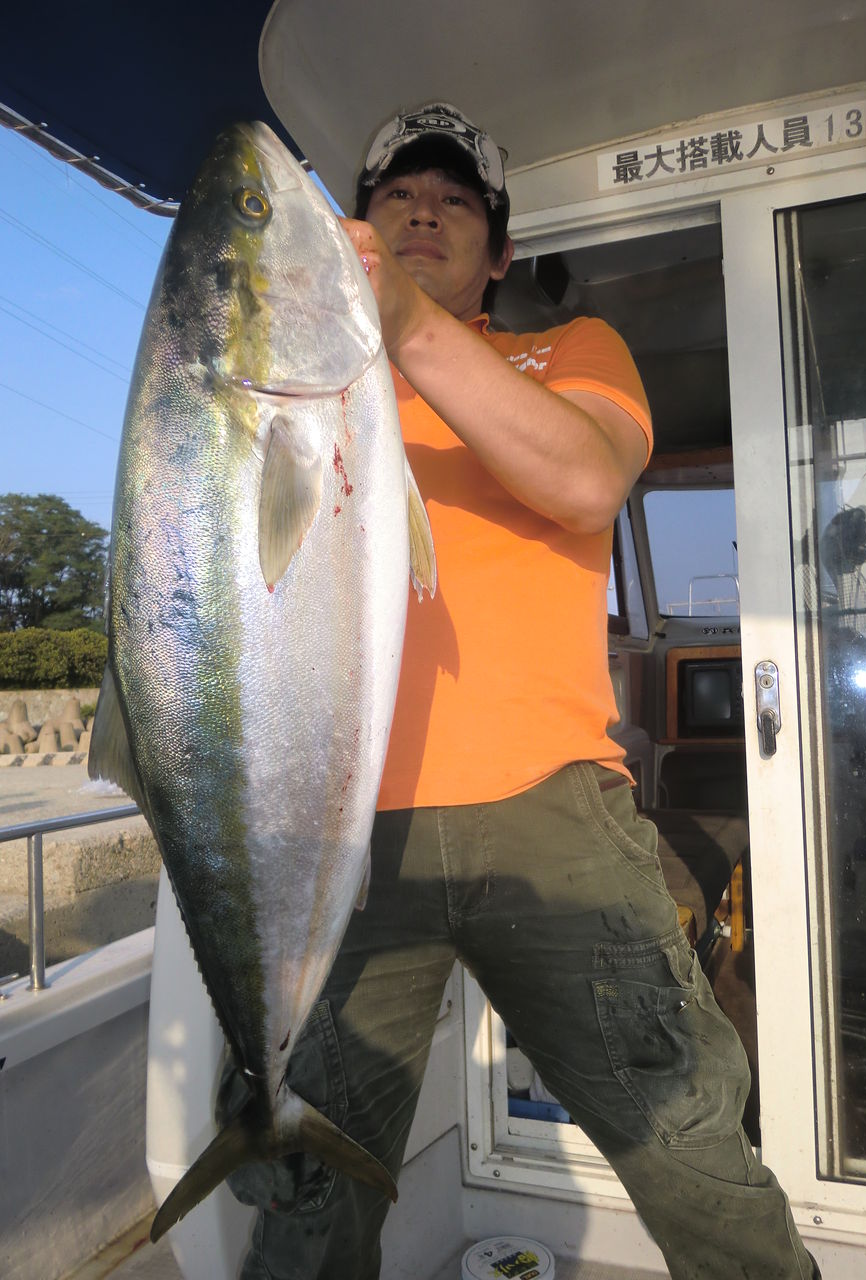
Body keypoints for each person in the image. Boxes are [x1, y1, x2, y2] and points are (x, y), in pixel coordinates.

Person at [219, 103, 821, 1280]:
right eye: (398, 191)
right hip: (343, 841)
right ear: (360, 222)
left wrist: (404, 326)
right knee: (309, 1196)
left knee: (690, 1146)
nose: (426, 205)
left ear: (498, 250)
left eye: (458, 195)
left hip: (552, 814)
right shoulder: (301, 383)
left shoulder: (572, 351)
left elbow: (588, 479)